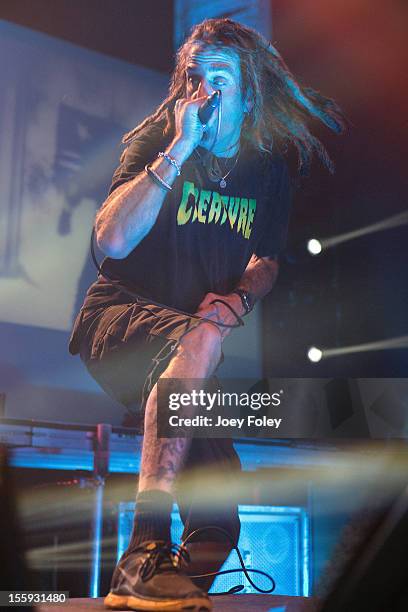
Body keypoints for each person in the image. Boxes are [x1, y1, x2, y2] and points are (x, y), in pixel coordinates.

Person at [69, 18, 344, 611]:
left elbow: (266, 259)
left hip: (194, 348)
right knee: (195, 339)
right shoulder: (159, 144)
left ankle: (158, 594)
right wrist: (178, 150)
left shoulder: (267, 170)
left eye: (219, 79)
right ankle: (143, 552)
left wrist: (239, 297)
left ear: (249, 97)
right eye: (193, 78)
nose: (204, 93)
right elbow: (111, 240)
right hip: (118, 321)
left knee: (219, 525)